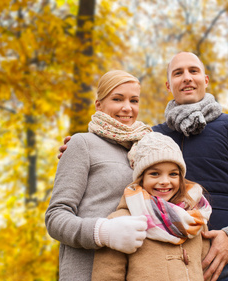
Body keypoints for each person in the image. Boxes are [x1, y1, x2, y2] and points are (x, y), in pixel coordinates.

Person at [58, 52, 228, 281]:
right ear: (169, 85)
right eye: (178, 73)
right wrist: (79, 145)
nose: (186, 77)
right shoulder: (150, 137)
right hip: (168, 270)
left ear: (205, 80)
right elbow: (111, 145)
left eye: (193, 71)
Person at [45, 70, 153, 280]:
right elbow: (55, 217)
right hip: (86, 271)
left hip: (136, 271)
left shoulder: (147, 149)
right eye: (117, 99)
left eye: (134, 100)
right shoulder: (82, 144)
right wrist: (103, 232)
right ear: (99, 105)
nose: (127, 107)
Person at [92, 132, 212, 280]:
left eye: (173, 174)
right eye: (155, 174)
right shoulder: (121, 221)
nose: (164, 181)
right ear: (141, 178)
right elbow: (107, 276)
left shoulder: (195, 219)